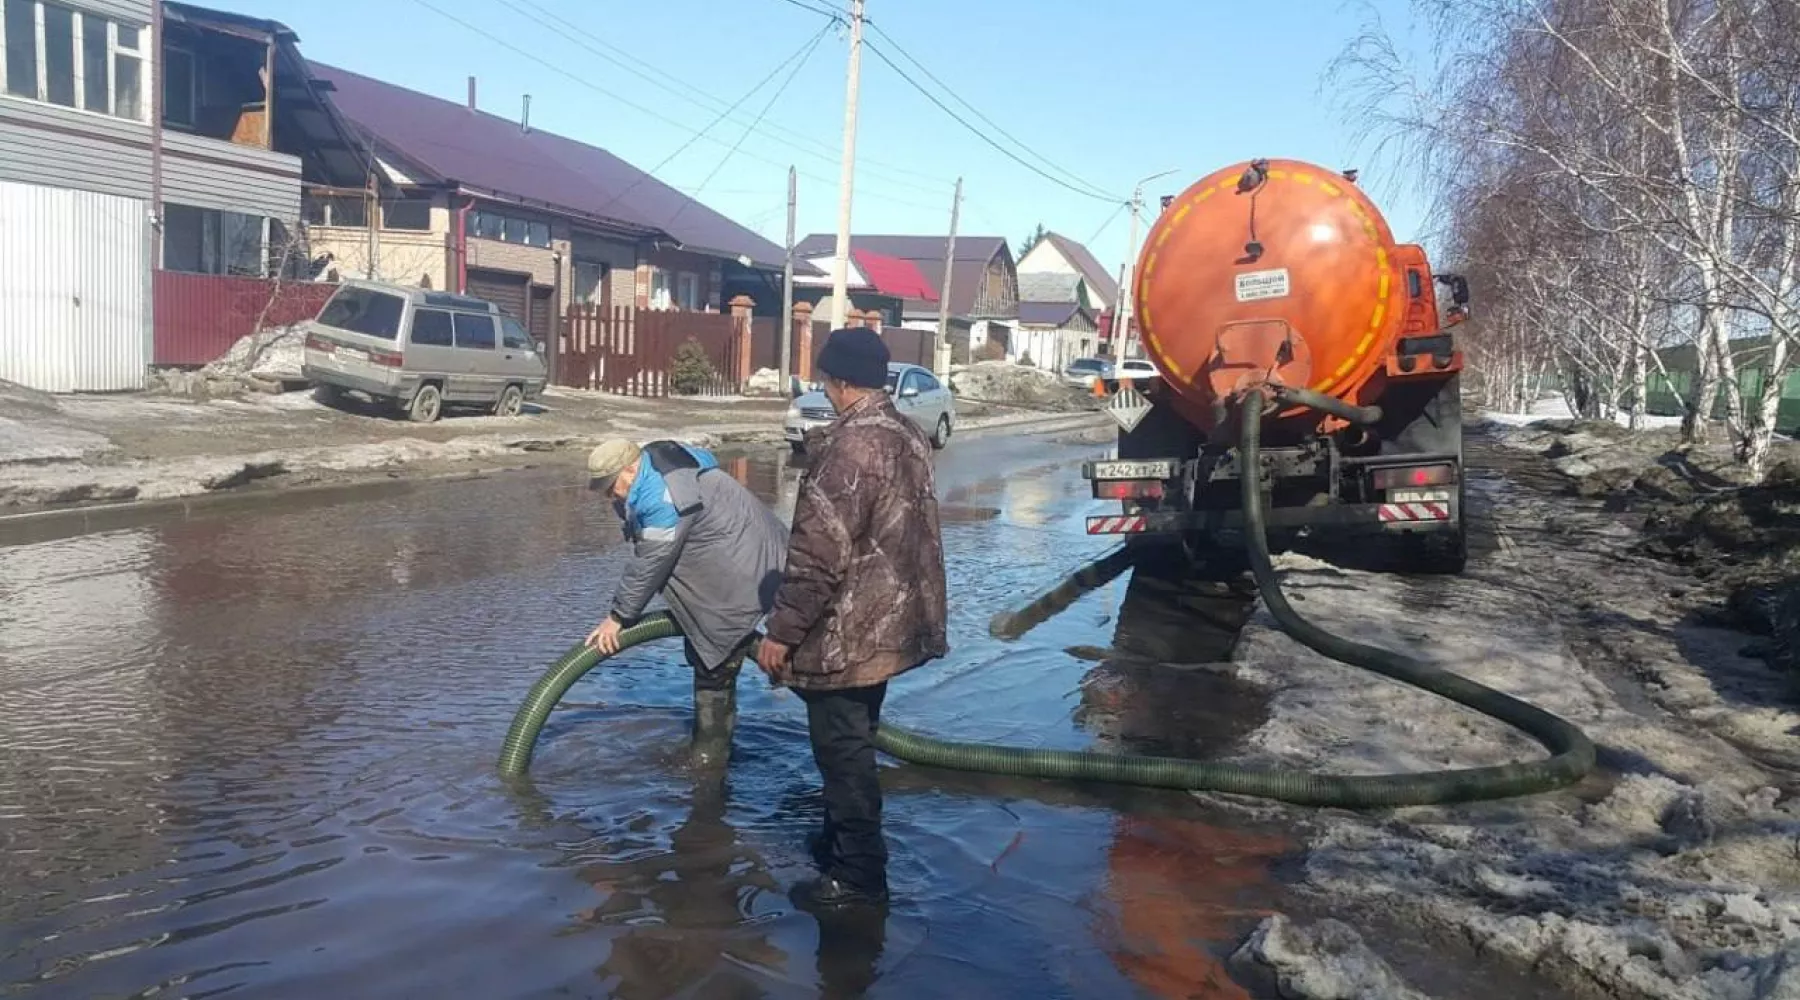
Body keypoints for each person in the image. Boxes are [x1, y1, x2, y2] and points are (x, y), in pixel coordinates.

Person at [755, 328, 948, 910]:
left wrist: (781, 634)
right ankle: (843, 843)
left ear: (836, 380)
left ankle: (858, 877)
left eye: (823, 378)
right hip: (890, 624)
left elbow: (817, 557)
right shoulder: (906, 433)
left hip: (849, 635)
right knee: (856, 742)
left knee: (844, 757)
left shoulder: (849, 449)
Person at [586, 437, 789, 766]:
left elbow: (649, 564)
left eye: (611, 487)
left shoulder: (664, 498)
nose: (610, 496)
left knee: (715, 662)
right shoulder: (660, 466)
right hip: (760, 555)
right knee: (712, 645)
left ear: (630, 469)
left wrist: (618, 617)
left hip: (741, 571)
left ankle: (708, 765)